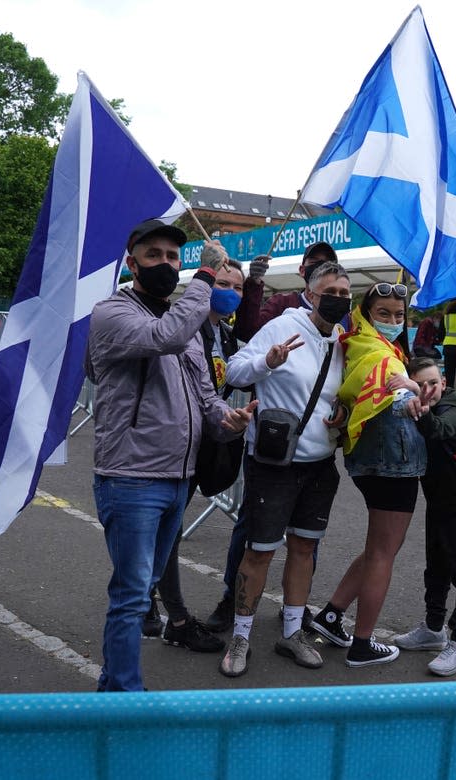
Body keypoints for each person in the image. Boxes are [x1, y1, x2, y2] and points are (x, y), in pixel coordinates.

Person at [85, 218, 256, 692]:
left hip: (178, 478)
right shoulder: (112, 314)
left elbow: (205, 398)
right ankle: (122, 691)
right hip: (131, 477)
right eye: (154, 254)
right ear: (131, 262)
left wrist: (230, 421)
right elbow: (166, 337)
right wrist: (204, 278)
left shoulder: (184, 323)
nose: (166, 263)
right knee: (133, 593)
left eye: (173, 257)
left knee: (143, 588)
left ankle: (113, 683)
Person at [218, 263, 351, 677]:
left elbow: (343, 393)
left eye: (346, 294)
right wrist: (268, 363)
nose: (339, 299)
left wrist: (343, 414)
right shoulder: (281, 326)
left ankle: (292, 632)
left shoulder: (344, 342)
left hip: (320, 465)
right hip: (274, 465)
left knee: (304, 550)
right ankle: (240, 636)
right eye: (330, 291)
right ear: (309, 295)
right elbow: (235, 368)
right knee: (259, 552)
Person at [310, 282, 430, 667]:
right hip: (393, 462)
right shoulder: (382, 355)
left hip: (368, 460)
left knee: (379, 548)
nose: (394, 321)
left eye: (399, 315)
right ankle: (362, 643)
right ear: (365, 312)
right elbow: (396, 393)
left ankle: (331, 615)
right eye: (385, 314)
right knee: (384, 553)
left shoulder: (357, 342)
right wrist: (413, 390)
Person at [142, 259, 246, 653]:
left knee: (169, 530)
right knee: (165, 530)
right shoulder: (188, 325)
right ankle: (162, 610)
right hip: (178, 442)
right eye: (223, 282)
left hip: (205, 438)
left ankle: (160, 606)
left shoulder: (224, 330)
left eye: (237, 287)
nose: (231, 292)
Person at [392, 357, 456, 676]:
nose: (428, 390)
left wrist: (423, 408)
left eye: (432, 383)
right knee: (437, 568)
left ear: (444, 382)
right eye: (421, 384)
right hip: (438, 502)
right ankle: (433, 629)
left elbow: (444, 429)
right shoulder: (422, 404)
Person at [232, 241, 338, 342]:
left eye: (327, 264)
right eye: (314, 262)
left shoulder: (341, 312)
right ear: (302, 270)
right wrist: (253, 282)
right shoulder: (282, 304)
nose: (321, 268)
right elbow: (248, 332)